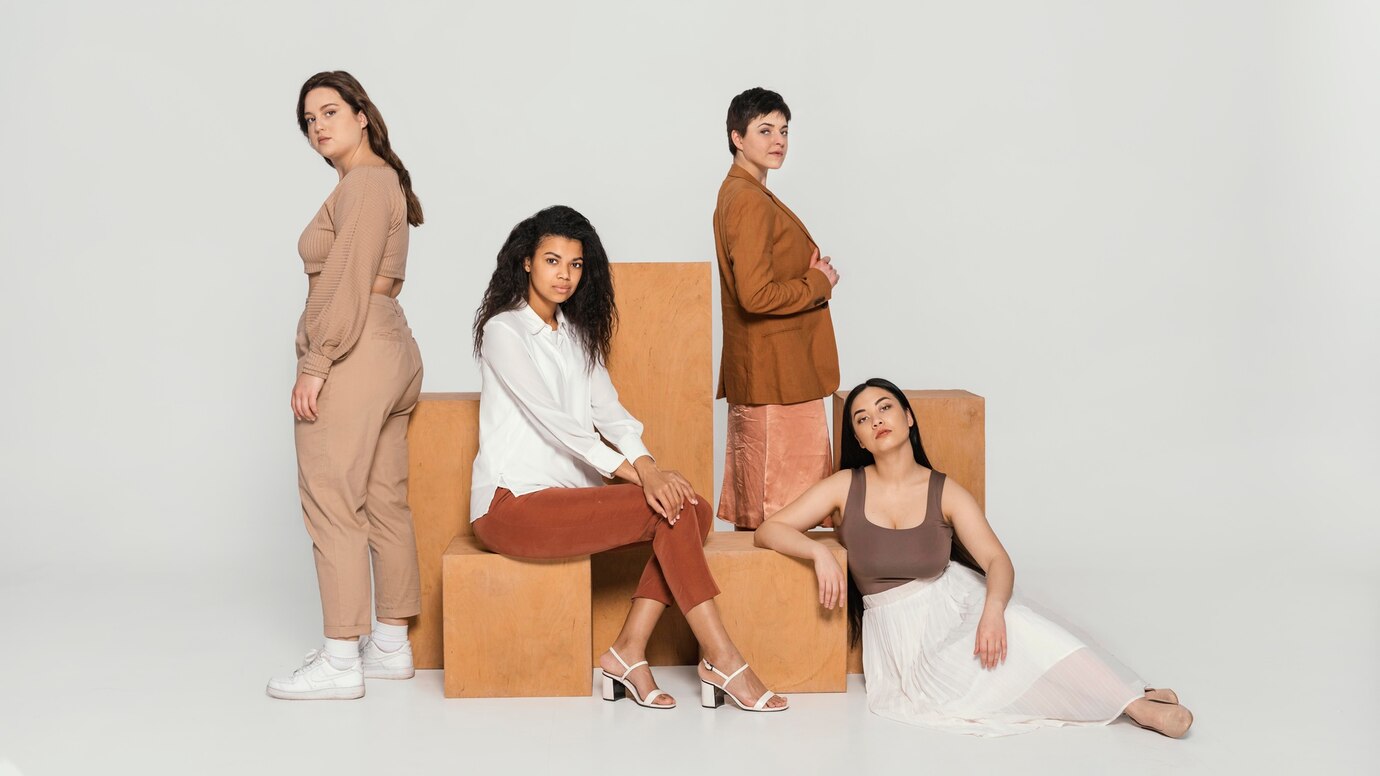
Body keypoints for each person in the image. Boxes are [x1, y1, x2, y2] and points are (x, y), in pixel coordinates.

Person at [469, 205, 787, 712]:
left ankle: (627, 651)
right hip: (512, 504)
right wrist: (639, 476)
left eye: (575, 265)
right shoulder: (504, 332)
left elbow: (610, 413)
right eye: (552, 261)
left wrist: (650, 467)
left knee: (692, 507)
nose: (564, 275)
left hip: (567, 500)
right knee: (678, 509)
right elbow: (560, 424)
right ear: (526, 262)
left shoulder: (575, 336)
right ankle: (722, 656)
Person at [754, 378, 1194, 736]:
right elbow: (769, 530)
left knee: (1021, 630)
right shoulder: (844, 486)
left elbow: (998, 562)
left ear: (908, 417)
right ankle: (1122, 693)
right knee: (965, 688)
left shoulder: (945, 491)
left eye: (886, 408)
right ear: (860, 439)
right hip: (901, 634)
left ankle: (1135, 705)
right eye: (863, 418)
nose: (877, 421)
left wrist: (993, 611)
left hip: (955, 602)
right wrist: (819, 551)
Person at [267, 71, 425, 700]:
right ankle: (388, 645)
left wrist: (316, 361)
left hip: (356, 348)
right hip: (391, 346)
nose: (318, 126)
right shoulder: (379, 181)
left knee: (332, 499)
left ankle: (339, 659)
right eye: (309, 120)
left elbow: (347, 280)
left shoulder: (364, 182)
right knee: (384, 500)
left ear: (363, 115)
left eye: (330, 111)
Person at [714, 87, 841, 531]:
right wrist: (816, 283)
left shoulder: (747, 193)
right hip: (776, 379)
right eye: (764, 130)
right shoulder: (746, 198)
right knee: (782, 513)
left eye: (784, 130)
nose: (778, 140)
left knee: (779, 510)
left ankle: (778, 600)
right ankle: (775, 601)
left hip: (776, 374)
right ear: (737, 137)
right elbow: (755, 295)